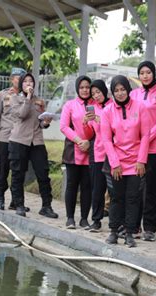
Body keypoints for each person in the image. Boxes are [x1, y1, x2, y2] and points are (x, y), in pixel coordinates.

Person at [102, 75, 150, 248]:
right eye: (116, 90)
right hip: (116, 163)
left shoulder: (140, 107)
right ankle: (114, 231)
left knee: (133, 198)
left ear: (128, 89)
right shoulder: (107, 111)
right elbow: (106, 140)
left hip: (136, 162)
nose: (120, 93)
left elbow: (145, 135)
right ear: (112, 92)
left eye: (123, 89)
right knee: (116, 198)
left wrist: (141, 160)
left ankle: (129, 233)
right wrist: (115, 163)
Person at [8, 73, 58, 218]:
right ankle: (19, 205)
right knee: (18, 174)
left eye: (31, 81)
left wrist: (46, 122)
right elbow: (22, 114)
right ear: (21, 84)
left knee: (43, 173)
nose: (29, 84)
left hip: (36, 141)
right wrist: (28, 98)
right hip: (19, 140)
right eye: (25, 82)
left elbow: (40, 122)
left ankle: (46, 206)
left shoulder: (39, 101)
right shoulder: (14, 99)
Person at [130, 61, 156, 241]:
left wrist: (147, 136)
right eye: (142, 73)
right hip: (135, 148)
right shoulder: (133, 94)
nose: (145, 76)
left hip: (154, 148)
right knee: (135, 187)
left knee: (152, 189)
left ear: (153, 74)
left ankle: (150, 227)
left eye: (148, 72)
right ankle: (133, 225)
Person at [0, 67, 26, 210]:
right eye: (17, 77)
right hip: (5, 137)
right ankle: (0, 199)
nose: (19, 80)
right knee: (2, 169)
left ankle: (16, 201)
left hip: (20, 139)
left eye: (22, 78)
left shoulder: (27, 96)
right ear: (12, 79)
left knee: (19, 171)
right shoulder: (3, 95)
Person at [60, 76, 94, 229]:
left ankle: (84, 219)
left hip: (91, 150)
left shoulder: (95, 105)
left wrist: (88, 142)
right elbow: (64, 126)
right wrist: (79, 140)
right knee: (72, 185)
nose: (85, 90)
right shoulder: (70, 105)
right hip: (73, 150)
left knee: (87, 186)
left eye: (87, 87)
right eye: (82, 87)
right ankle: (70, 218)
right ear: (77, 89)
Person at [84, 79, 111, 232]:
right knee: (97, 188)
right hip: (97, 151)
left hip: (111, 152)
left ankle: (116, 221)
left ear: (104, 91)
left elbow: (112, 127)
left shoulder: (112, 106)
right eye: (93, 93)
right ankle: (96, 220)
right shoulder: (93, 108)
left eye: (98, 92)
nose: (96, 95)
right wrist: (85, 122)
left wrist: (98, 119)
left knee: (114, 189)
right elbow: (90, 134)